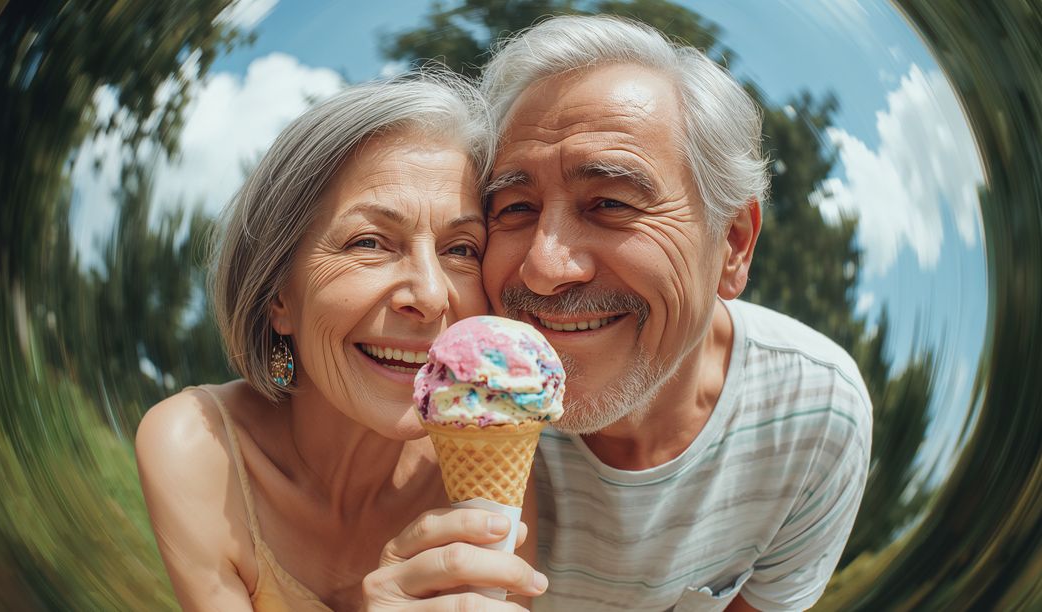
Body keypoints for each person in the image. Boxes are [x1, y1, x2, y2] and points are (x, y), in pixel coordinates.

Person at [474, 15, 874, 611]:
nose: (544, 266)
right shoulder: (449, 397)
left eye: (610, 202)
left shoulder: (816, 415)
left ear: (733, 245)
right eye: (514, 207)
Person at [134, 76, 548, 611]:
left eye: (461, 248)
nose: (427, 294)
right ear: (279, 294)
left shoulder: (497, 458)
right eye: (369, 242)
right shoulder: (196, 449)